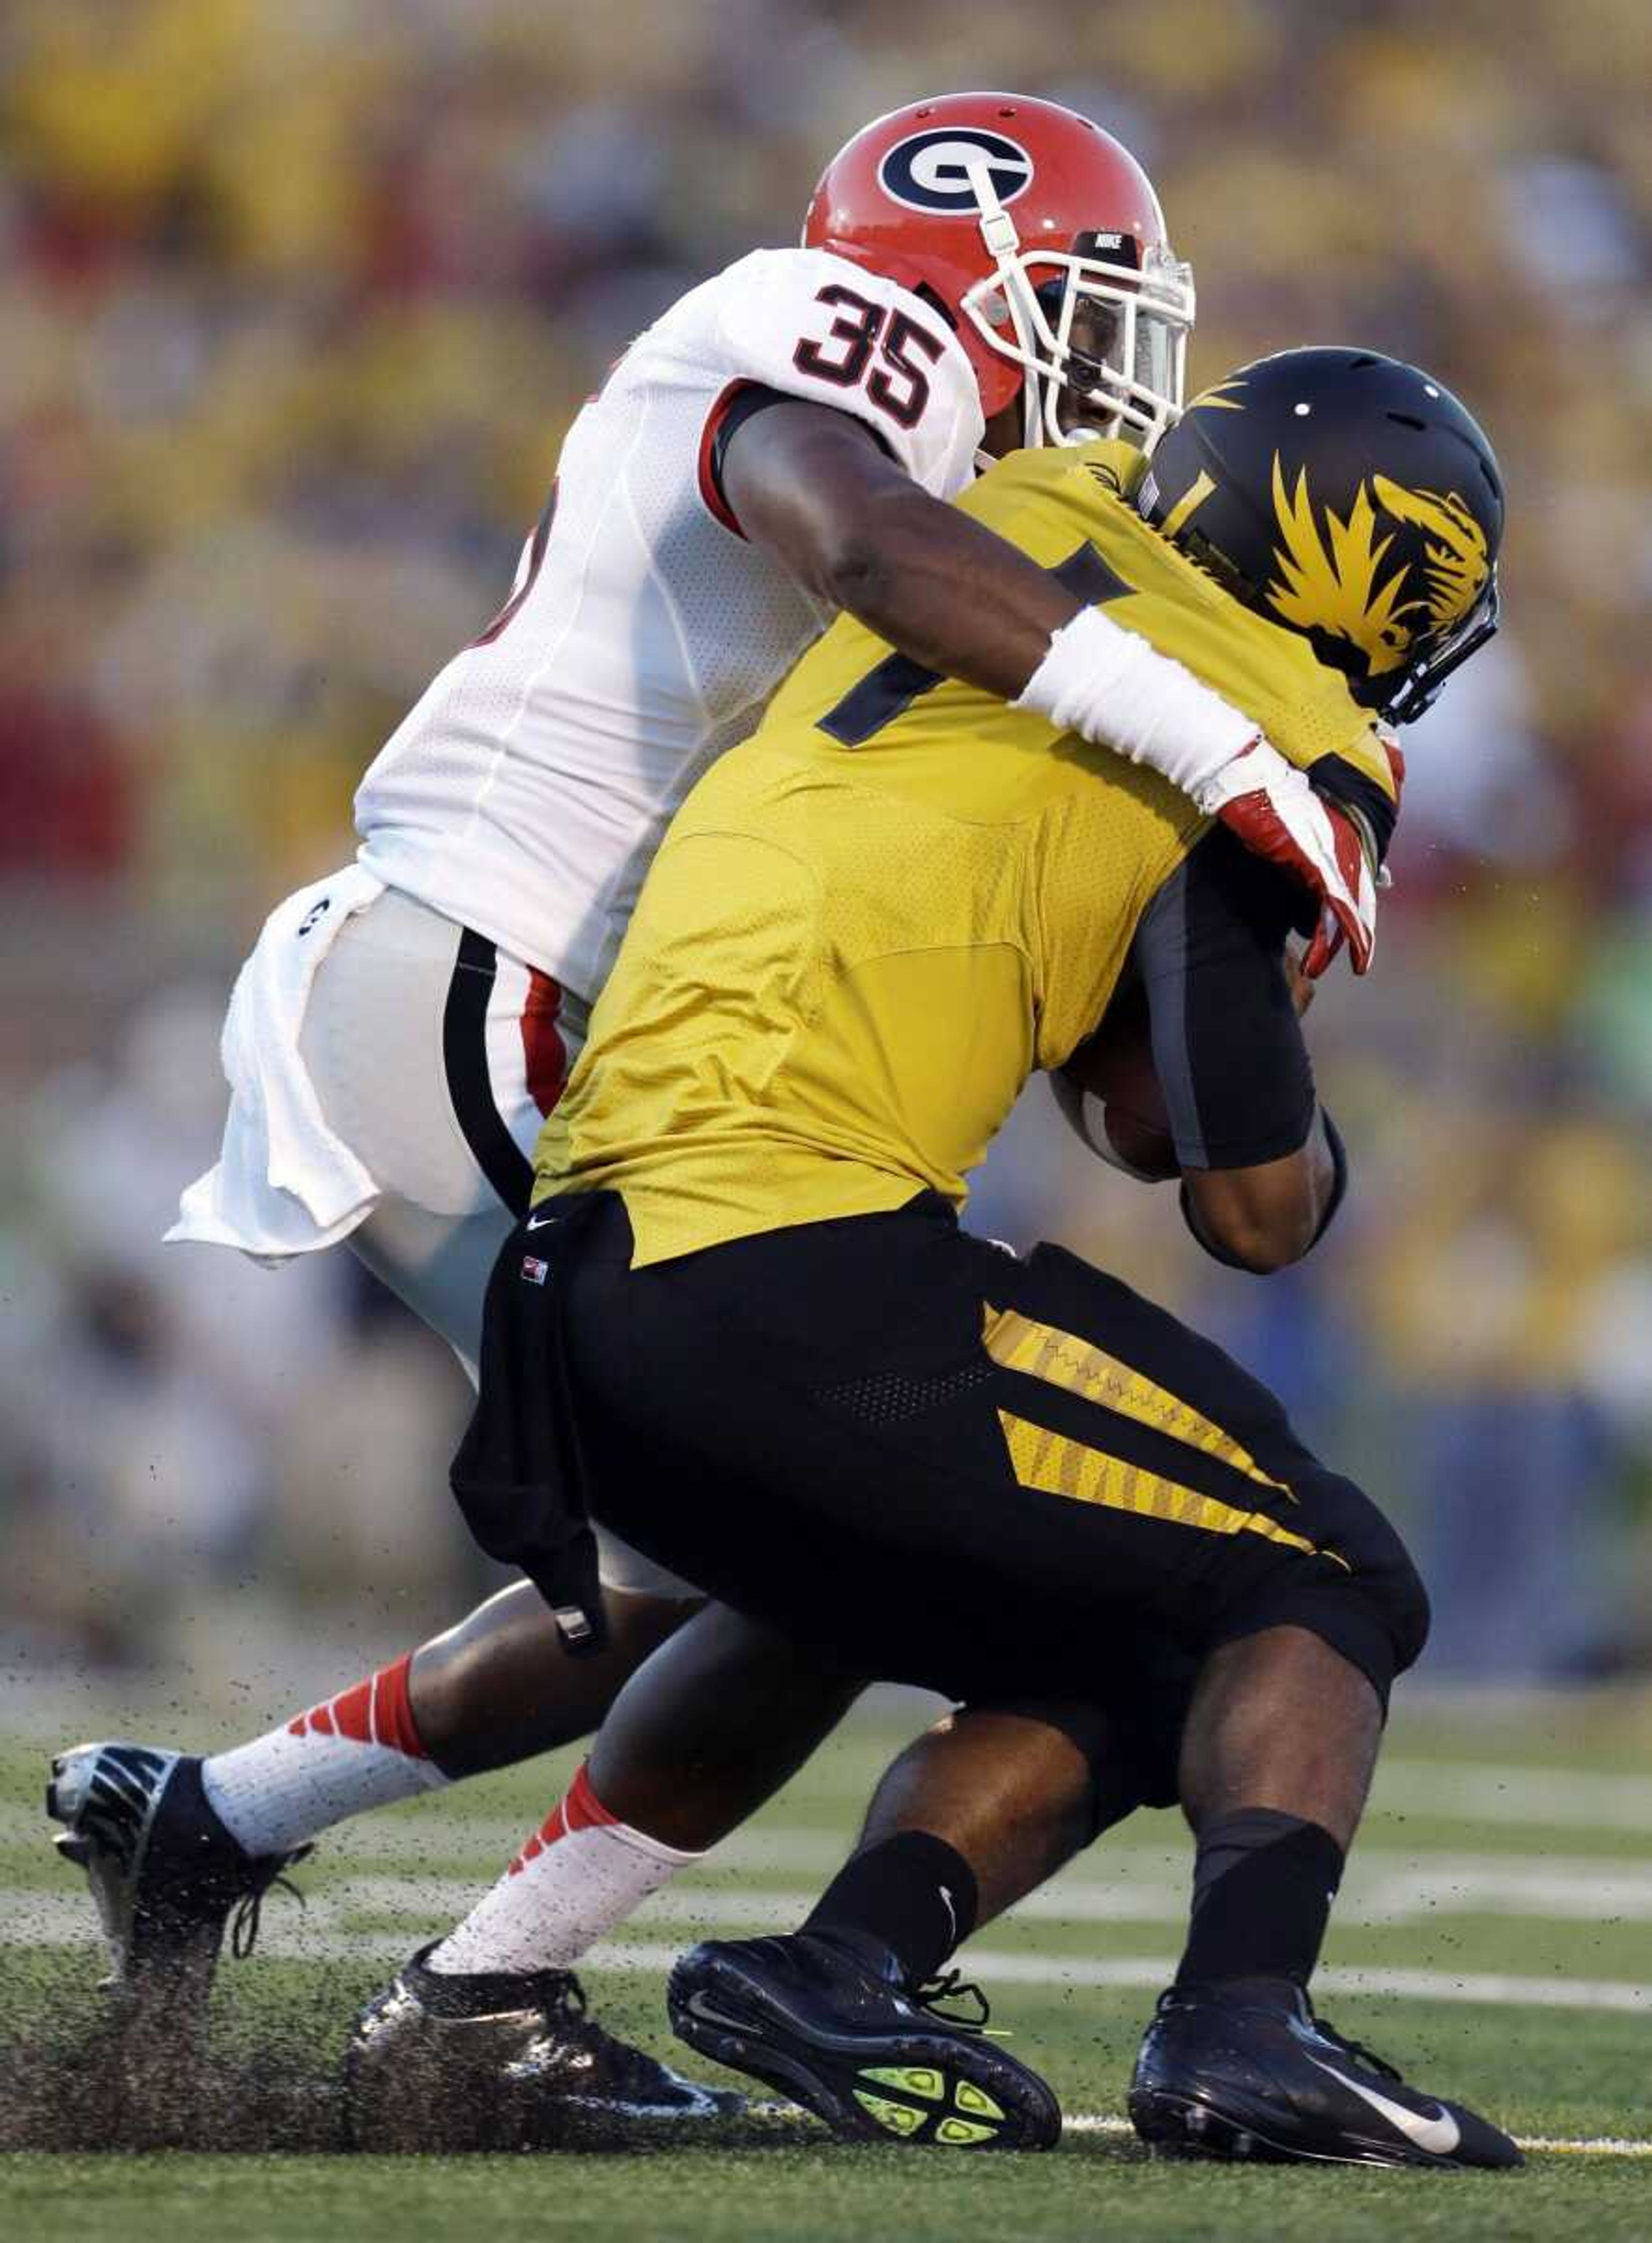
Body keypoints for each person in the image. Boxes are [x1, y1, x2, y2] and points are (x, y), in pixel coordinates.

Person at [48, 95, 1382, 2120]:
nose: (1114, 371)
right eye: (1094, 309)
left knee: (793, 1518)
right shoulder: (835, 326)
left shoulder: (956, 455)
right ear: (977, 264)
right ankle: (432, 1953)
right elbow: (858, 533)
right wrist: (1219, 744)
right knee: (800, 1485)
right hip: (486, 976)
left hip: (485, 988)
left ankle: (240, 1831)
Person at [425, 346, 1519, 2170]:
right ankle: (1245, 2023)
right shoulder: (1261, 708)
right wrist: (1325, 1136)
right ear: (1364, 565)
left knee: (1127, 1602)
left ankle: (835, 1964)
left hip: (579, 1268)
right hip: (788, 1256)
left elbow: (1100, 1043)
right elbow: (1245, 1201)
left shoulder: (1010, 521)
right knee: (1328, 1571)